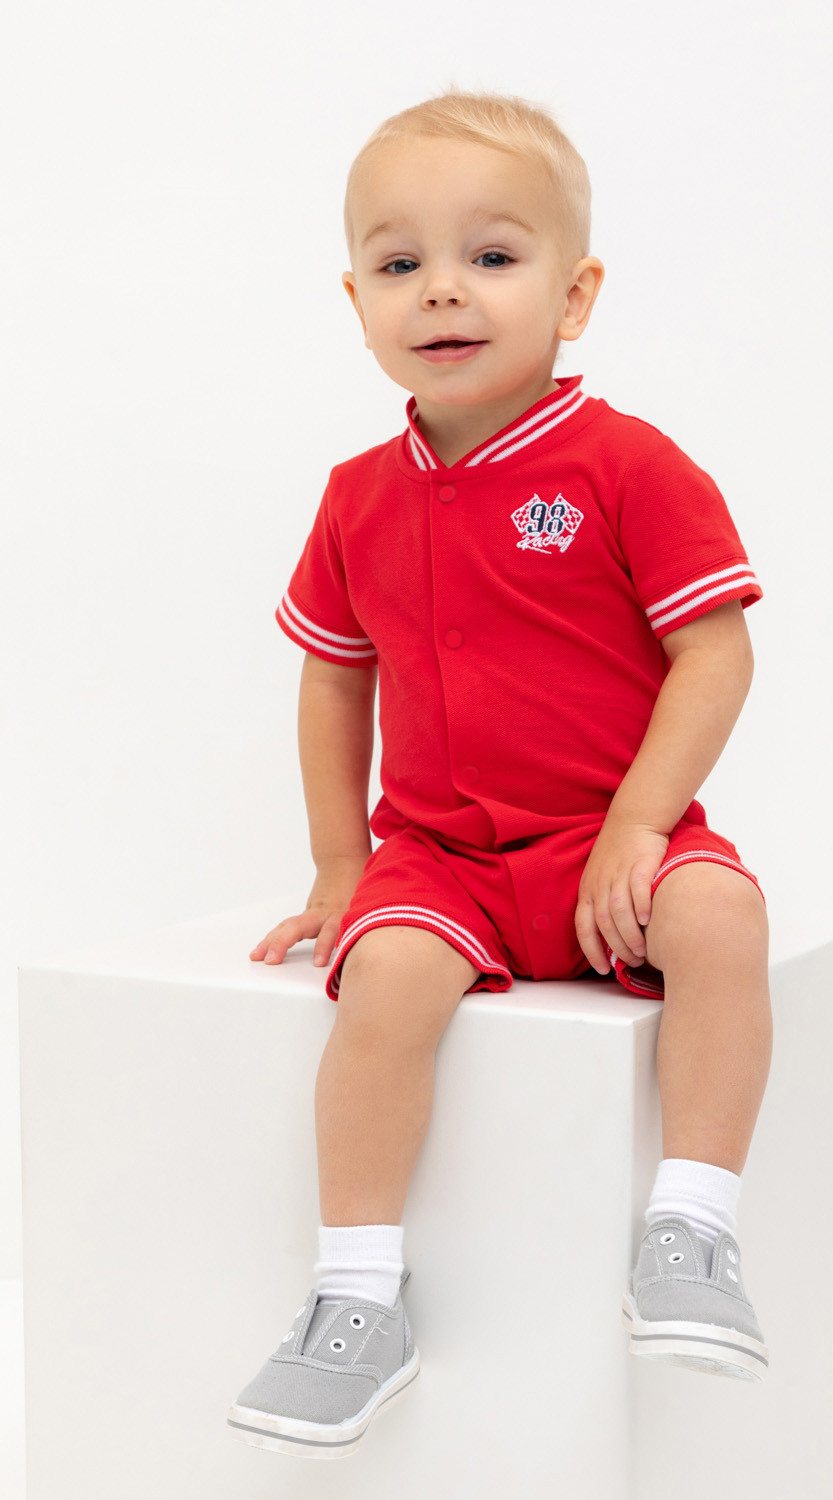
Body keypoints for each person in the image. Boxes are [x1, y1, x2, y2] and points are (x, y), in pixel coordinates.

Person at [227, 89, 773, 1460]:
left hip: (609, 843)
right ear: (356, 302)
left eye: (491, 255)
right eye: (400, 262)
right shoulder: (357, 493)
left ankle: (693, 1227)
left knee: (722, 918)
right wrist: (343, 864)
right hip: (445, 858)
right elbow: (334, 675)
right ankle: (358, 1297)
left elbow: (714, 653)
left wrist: (641, 827)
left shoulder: (626, 465)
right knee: (384, 983)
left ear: (574, 294)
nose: (442, 289)